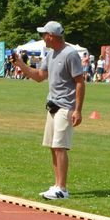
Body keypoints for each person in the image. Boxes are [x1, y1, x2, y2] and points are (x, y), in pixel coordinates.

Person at [12, 21, 84, 200]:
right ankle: (56, 185)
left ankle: (63, 189)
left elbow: (80, 82)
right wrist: (20, 64)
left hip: (65, 107)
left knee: (60, 147)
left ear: (51, 36)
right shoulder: (50, 55)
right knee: (53, 147)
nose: (43, 37)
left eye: (44, 34)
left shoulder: (70, 54)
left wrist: (78, 110)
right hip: (52, 106)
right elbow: (38, 76)